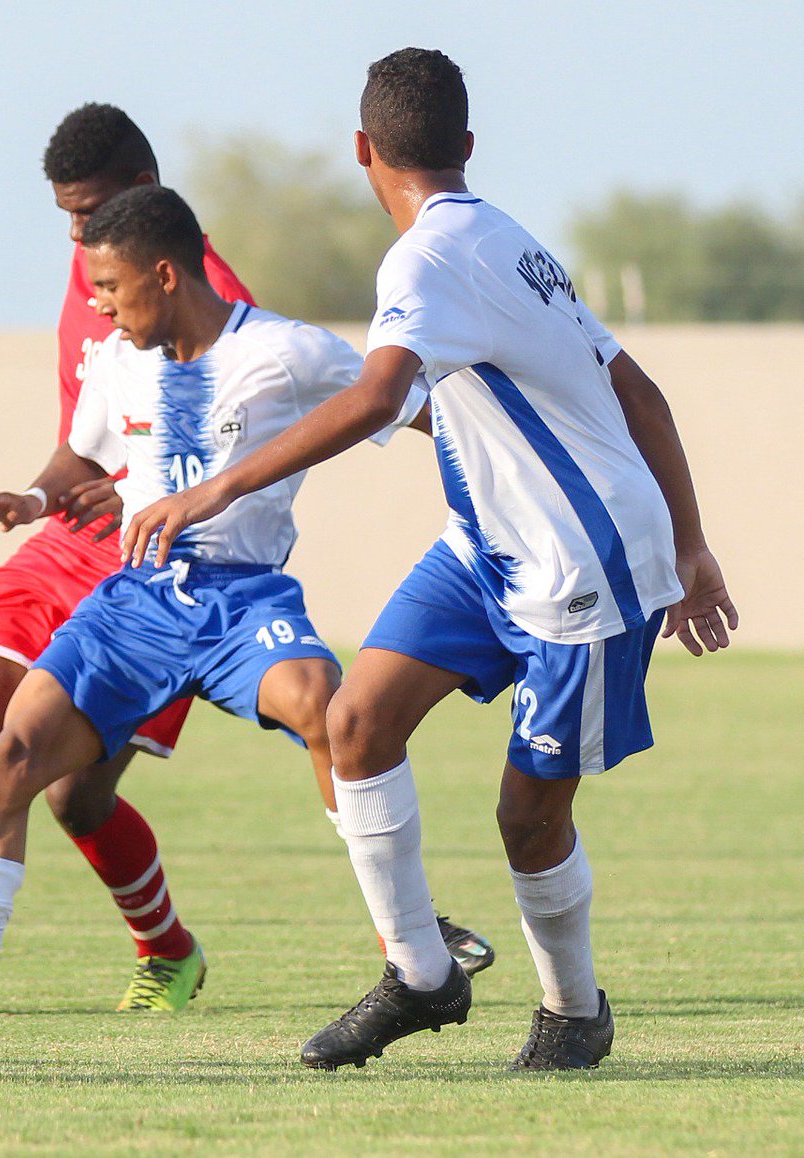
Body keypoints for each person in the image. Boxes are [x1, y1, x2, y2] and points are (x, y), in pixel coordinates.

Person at [0, 108, 490, 1014]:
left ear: (152, 228)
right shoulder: (104, 287)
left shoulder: (223, 308)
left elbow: (353, 403)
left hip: (205, 575)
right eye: (67, 222)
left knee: (86, 795)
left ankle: (344, 936)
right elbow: (84, 443)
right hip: (89, 562)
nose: (81, 247)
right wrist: (38, 498)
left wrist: (490, 478)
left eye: (93, 221)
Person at [122, 48, 737, 1071]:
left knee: (527, 816)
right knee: (356, 725)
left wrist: (214, 487)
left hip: (580, 563)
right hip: (487, 545)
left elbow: (374, 393)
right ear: (466, 145)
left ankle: (574, 1012)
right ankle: (421, 975)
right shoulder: (507, 239)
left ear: (361, 150)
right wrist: (698, 540)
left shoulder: (430, 260)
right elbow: (641, 395)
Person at [0, 183, 428, 1019]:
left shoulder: (289, 352)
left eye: (109, 288)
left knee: (326, 715)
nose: (100, 309)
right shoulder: (118, 363)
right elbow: (79, 460)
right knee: (11, 760)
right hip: (135, 605)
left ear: (164, 275)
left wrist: (496, 472)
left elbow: (414, 408)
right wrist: (33, 502)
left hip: (242, 598)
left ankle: (407, 940)